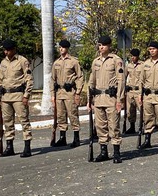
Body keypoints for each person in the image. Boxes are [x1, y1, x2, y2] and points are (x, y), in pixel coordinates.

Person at [88, 35, 124, 163]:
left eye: (103, 45)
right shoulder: (96, 61)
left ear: (109, 46)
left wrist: (119, 99)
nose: (101, 47)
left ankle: (116, 152)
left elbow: (121, 80)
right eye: (99, 45)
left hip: (111, 98)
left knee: (113, 126)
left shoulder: (116, 60)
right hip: (98, 98)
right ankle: (103, 151)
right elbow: (91, 81)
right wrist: (89, 100)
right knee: (100, 126)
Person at [0, 39, 33, 158]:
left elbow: (29, 80)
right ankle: (9, 147)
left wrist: (26, 96)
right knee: (7, 123)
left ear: (14, 49)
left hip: (18, 97)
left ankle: (27, 147)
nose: (6, 52)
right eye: (4, 50)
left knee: (24, 121)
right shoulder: (3, 63)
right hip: (5, 97)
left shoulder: (22, 61)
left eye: (8, 50)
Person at [50, 40, 84, 148]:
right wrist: (52, 95)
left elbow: (80, 77)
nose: (61, 49)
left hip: (70, 92)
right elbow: (52, 79)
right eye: (60, 47)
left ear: (67, 48)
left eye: (63, 47)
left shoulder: (74, 61)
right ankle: (62, 138)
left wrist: (78, 92)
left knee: (72, 114)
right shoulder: (56, 63)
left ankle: (76, 138)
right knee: (60, 116)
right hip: (59, 92)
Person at [124, 48, 144, 134]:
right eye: (131, 56)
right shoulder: (128, 65)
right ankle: (132, 127)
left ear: (138, 56)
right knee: (130, 110)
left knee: (142, 109)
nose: (132, 58)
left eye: (134, 56)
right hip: (130, 91)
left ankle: (143, 127)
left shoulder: (142, 65)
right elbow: (124, 77)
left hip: (138, 90)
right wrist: (125, 87)